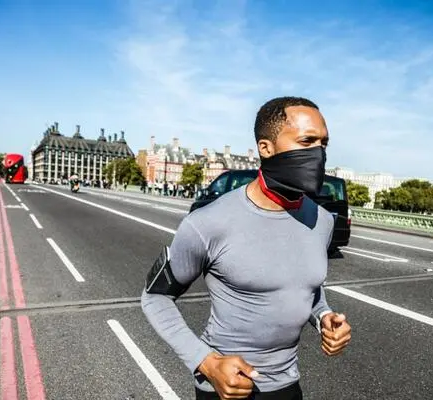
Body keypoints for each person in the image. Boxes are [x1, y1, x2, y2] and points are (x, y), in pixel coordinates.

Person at [141, 97, 351, 400]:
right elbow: (155, 297)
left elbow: (309, 287)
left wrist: (323, 318)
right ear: (266, 148)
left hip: (287, 386)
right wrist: (207, 363)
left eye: (323, 144)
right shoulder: (208, 222)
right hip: (226, 387)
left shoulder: (321, 220)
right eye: (307, 141)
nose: (318, 154)